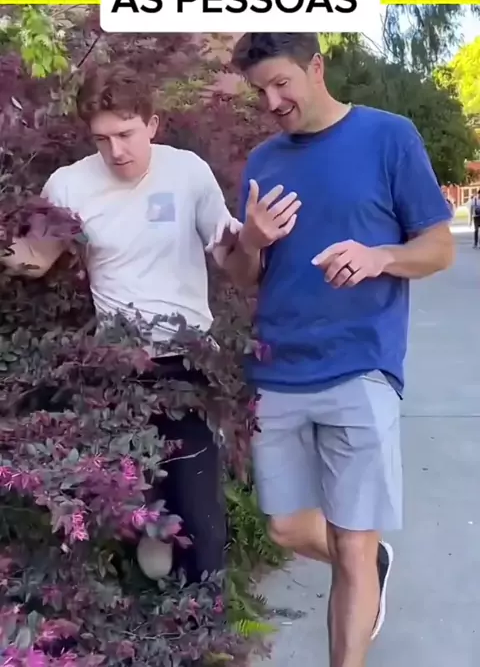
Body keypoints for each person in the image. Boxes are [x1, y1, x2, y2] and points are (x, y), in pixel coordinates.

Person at [220, 33, 454, 667]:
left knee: (351, 546)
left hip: (361, 367)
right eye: (260, 91)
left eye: (281, 84)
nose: (272, 102)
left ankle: (360, 571)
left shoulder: (388, 136)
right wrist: (251, 241)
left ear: (316, 67)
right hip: (277, 369)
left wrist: (380, 257)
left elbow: (439, 248)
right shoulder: (264, 160)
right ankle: (372, 560)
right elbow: (245, 277)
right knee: (285, 527)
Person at [0, 64, 239, 586]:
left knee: (197, 510)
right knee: (131, 504)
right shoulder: (70, 184)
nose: (116, 151)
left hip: (186, 363)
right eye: (102, 139)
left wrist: (259, 240)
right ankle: (153, 587)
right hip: (115, 368)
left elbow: (230, 252)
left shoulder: (187, 173)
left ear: (152, 124)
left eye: (126, 134)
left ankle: (206, 610)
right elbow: (37, 258)